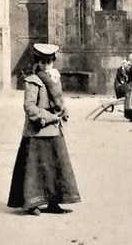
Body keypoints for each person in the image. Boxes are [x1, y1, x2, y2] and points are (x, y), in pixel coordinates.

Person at [7, 43, 81, 216]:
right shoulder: (33, 81)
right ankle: (32, 204)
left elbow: (59, 101)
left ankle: (53, 203)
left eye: (50, 61)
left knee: (56, 166)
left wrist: (64, 111)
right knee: (34, 169)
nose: (47, 64)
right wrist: (48, 118)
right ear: (38, 62)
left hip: (54, 130)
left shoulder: (55, 79)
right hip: (37, 131)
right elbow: (29, 107)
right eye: (43, 61)